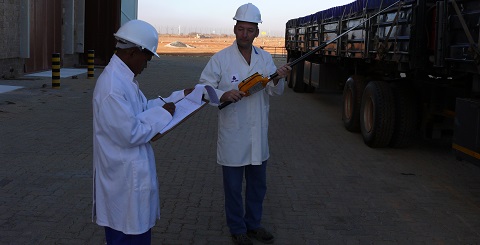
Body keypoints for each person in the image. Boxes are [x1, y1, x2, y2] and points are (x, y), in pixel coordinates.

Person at [92, 19, 192, 245]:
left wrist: (180, 96)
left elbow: (143, 108)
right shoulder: (112, 88)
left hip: (130, 180)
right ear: (133, 53)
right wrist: (165, 114)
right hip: (122, 183)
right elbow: (131, 132)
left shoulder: (124, 79)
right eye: (146, 59)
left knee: (136, 233)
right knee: (125, 236)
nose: (146, 65)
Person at [199, 3, 291, 245]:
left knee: (257, 186)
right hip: (233, 134)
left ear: (257, 33)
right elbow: (204, 89)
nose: (245, 34)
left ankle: (253, 225)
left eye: (250, 30)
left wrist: (278, 78)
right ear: (234, 29)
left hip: (257, 134)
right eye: (241, 29)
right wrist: (223, 95)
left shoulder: (266, 58)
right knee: (232, 188)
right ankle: (237, 228)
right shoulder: (220, 59)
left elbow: (275, 91)